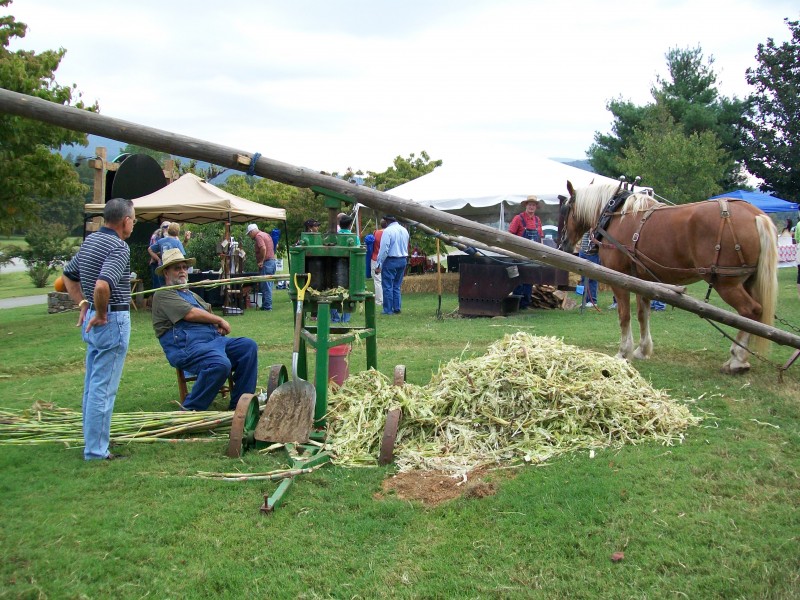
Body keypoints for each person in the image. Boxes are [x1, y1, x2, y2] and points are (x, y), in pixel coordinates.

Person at [62, 197, 136, 461]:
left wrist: (84, 303)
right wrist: (102, 312)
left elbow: (67, 276)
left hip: (92, 320)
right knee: (104, 388)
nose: (134, 224)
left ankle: (93, 440)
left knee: (93, 384)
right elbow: (103, 286)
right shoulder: (118, 247)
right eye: (134, 219)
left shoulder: (90, 241)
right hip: (109, 320)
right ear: (125, 221)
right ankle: (96, 450)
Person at [151, 248, 258, 411]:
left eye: (184, 267)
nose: (182, 271)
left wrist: (216, 326)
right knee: (220, 364)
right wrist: (219, 320)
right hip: (187, 348)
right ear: (166, 272)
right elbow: (190, 314)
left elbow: (206, 312)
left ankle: (240, 406)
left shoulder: (191, 295)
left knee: (248, 347)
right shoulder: (163, 294)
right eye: (176, 268)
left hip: (213, 341)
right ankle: (190, 410)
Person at [508, 195, 544, 309]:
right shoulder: (518, 218)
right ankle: (515, 304)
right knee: (518, 280)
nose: (531, 207)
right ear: (526, 206)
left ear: (536, 207)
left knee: (529, 279)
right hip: (518, 255)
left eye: (533, 205)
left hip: (532, 256)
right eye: (529, 205)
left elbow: (541, 239)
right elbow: (509, 235)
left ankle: (525, 304)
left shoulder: (538, 220)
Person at [375, 215, 409, 315]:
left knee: (387, 286)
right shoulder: (404, 230)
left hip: (391, 260)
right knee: (397, 286)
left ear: (387, 221)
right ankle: (397, 307)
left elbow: (384, 249)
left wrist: (379, 264)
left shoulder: (388, 231)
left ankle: (388, 309)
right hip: (403, 259)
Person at [331, 214, 360, 323]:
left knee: (333, 292)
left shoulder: (334, 237)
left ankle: (334, 318)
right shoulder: (354, 238)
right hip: (349, 269)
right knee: (347, 292)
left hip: (335, 269)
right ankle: (345, 319)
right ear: (349, 226)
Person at [246, 223, 276, 311]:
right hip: (272, 262)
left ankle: (267, 306)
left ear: (252, 231)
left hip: (266, 263)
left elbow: (263, 248)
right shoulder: (266, 234)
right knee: (268, 285)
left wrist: (261, 261)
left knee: (265, 285)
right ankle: (265, 304)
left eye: (249, 234)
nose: (250, 236)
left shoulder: (258, 236)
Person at [578, 231, 600, 307]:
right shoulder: (585, 224)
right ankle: (585, 300)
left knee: (592, 278)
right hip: (583, 251)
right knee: (583, 278)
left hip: (592, 253)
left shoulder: (596, 223)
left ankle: (592, 300)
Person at [371, 218, 387, 307]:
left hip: (375, 257)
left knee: (377, 281)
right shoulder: (389, 233)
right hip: (387, 259)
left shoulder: (375, 233)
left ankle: (379, 301)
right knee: (387, 280)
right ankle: (387, 299)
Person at [148, 221, 170, 289]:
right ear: (161, 228)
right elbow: (152, 250)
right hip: (156, 263)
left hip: (168, 263)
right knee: (158, 286)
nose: (167, 228)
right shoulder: (156, 236)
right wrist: (159, 258)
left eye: (169, 227)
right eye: (165, 227)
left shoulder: (171, 236)